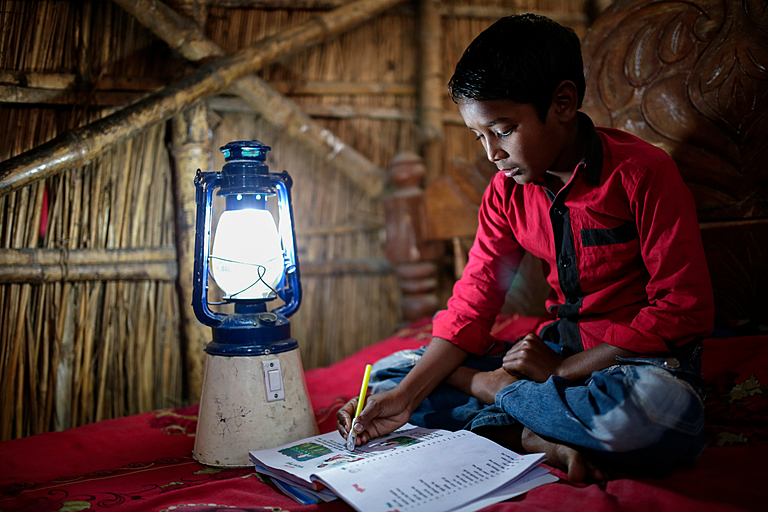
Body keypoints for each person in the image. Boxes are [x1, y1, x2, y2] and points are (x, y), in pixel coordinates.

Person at [337, 14, 714, 483]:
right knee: (392, 381)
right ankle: (535, 434)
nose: (491, 154)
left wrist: (563, 368)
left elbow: (684, 308)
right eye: (479, 136)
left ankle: (500, 403)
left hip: (628, 364)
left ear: (562, 103)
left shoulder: (643, 174)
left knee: (649, 417)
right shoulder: (504, 192)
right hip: (546, 356)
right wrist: (407, 396)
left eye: (503, 130)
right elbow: (473, 303)